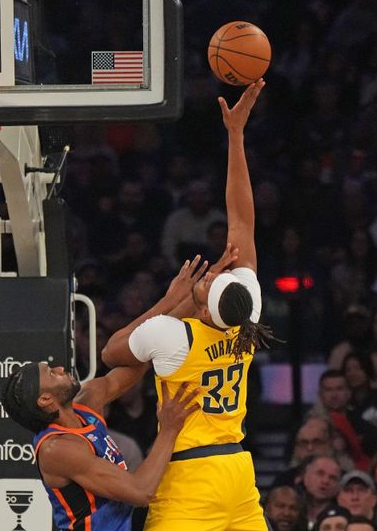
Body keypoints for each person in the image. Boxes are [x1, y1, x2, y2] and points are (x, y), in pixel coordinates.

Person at [101, 79, 275, 530]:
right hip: (238, 470)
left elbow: (112, 352)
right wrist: (236, 137)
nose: (211, 274)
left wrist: (168, 301)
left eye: (206, 283)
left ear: (201, 310)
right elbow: (242, 220)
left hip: (190, 475)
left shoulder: (172, 335)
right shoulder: (247, 315)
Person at [2, 361, 198, 530]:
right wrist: (169, 429)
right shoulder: (56, 449)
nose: (61, 368)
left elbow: (140, 358)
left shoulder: (87, 403)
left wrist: (164, 326)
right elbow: (141, 492)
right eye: (52, 373)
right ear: (46, 400)